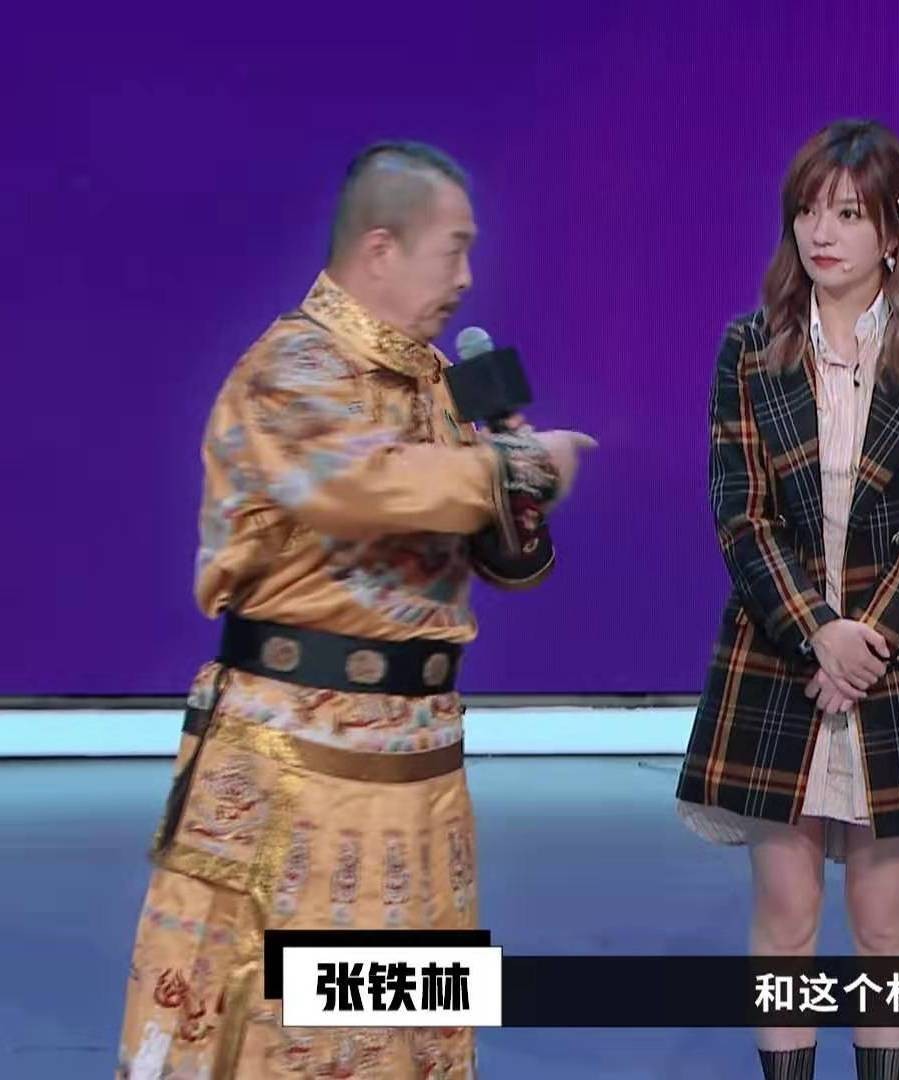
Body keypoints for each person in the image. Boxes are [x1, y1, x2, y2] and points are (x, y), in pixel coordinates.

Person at [115, 141, 595, 1078]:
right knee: (284, 1034)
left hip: (422, 770)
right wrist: (518, 466)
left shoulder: (436, 382)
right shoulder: (288, 369)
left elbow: (496, 552)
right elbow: (365, 486)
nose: (467, 277)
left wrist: (514, 497)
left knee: (414, 1035)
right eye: (453, 250)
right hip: (299, 770)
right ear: (381, 248)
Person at [675, 119, 899, 1080]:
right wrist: (818, 633)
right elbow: (739, 516)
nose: (822, 232)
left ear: (895, 231)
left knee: (883, 928)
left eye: (849, 214)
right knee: (785, 924)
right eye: (809, 211)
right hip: (778, 662)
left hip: (897, 670)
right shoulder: (749, 350)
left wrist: (864, 646)